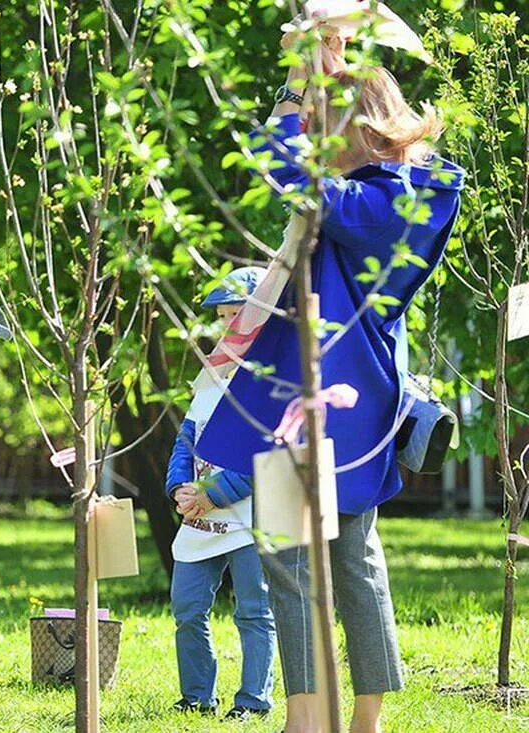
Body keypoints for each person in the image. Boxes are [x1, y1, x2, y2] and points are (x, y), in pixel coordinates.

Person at [195, 31, 465, 733]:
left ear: (353, 130)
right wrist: (329, 72)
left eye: (323, 123)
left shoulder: (366, 204)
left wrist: (295, 82)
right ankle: (362, 720)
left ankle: (310, 721)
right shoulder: (412, 198)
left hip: (314, 399)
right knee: (355, 560)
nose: (311, 132)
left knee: (292, 559)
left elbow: (275, 160)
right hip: (364, 403)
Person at [167, 266, 275, 721]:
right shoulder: (213, 372)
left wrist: (217, 491)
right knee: (188, 609)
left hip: (253, 517)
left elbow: (269, 450)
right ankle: (196, 697)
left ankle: (252, 701)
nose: (232, 324)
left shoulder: (272, 377)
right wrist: (179, 489)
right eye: (226, 315)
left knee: (254, 611)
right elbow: (187, 438)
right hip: (199, 515)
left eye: (241, 315)